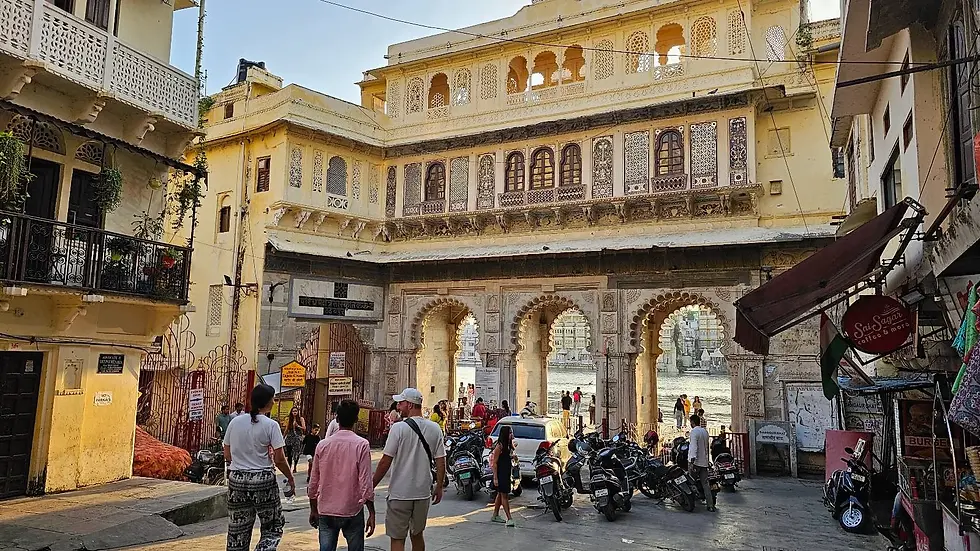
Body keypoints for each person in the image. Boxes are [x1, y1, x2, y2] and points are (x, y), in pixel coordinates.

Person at [223, 384, 295, 551]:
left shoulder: (235, 422)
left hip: (237, 481)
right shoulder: (271, 425)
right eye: (273, 399)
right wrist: (290, 478)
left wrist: (242, 462)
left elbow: (227, 454)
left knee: (237, 529)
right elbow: (280, 459)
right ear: (269, 402)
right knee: (272, 527)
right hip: (262, 480)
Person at [373, 388, 446, 551]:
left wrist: (371, 485)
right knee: (417, 535)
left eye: (401, 403)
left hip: (400, 493)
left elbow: (385, 461)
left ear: (410, 405)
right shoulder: (435, 429)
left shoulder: (398, 429)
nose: (398, 407)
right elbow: (441, 461)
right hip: (422, 493)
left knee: (398, 538)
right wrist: (439, 486)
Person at [309, 400, 375, 551]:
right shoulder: (362, 445)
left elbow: (313, 482)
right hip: (352, 509)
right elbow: (366, 482)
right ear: (356, 420)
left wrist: (313, 508)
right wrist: (371, 511)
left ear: (336, 419)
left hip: (326, 508)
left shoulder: (323, 445)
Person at [489, 424, 517, 527]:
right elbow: (495, 463)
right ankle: (509, 518)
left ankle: (495, 515)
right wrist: (495, 477)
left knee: (500, 495)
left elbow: (512, 454)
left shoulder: (508, 445)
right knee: (504, 495)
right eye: (510, 433)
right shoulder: (499, 446)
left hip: (506, 472)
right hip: (501, 473)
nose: (511, 435)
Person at [688, 414, 715, 512]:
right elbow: (706, 447)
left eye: (690, 422)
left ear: (692, 422)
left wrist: (692, 459)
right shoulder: (705, 431)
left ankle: (692, 503)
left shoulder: (694, 432)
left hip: (695, 462)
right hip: (704, 462)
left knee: (691, 483)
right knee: (705, 483)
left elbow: (694, 446)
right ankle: (710, 505)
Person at [284, 407, 307, 473]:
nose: (294, 412)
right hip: (290, 437)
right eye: (293, 411)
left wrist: (297, 425)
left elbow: (304, 428)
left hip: (297, 438)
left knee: (296, 454)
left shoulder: (301, 419)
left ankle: (295, 467)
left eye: (296, 411)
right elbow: (286, 429)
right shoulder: (290, 419)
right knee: (289, 454)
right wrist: (283, 437)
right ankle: (289, 467)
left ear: (298, 412)